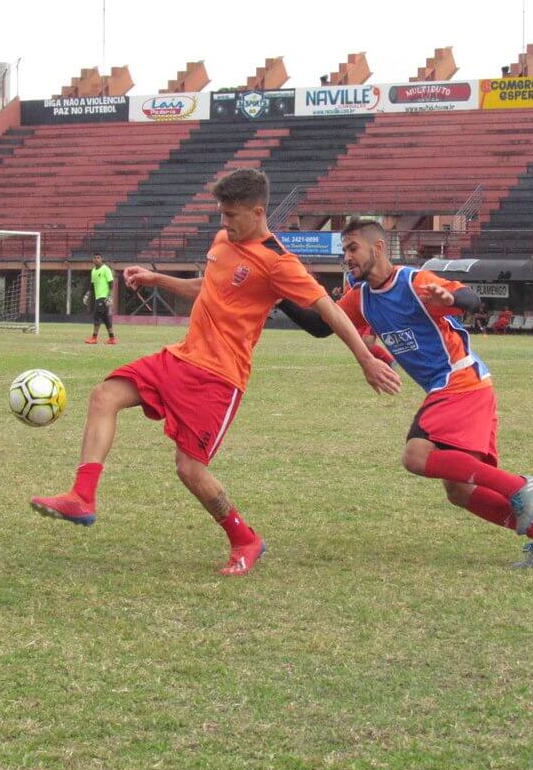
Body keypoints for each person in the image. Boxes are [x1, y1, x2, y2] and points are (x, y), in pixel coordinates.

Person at [31, 170, 400, 576]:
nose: (224, 223)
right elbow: (209, 287)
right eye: (221, 214)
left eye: (231, 215)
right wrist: (156, 278)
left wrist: (365, 360)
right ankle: (83, 496)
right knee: (105, 395)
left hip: (219, 379)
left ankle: (245, 539)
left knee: (189, 469)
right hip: (181, 357)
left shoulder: (279, 262)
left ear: (257, 212)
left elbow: (329, 313)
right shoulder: (224, 240)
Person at [278, 219, 533, 569]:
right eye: (344, 251)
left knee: (416, 456)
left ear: (378, 248)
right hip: (456, 387)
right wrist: (279, 293)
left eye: (352, 248)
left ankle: (518, 485)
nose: (347, 257)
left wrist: (451, 297)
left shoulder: (414, 281)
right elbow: (319, 325)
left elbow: (470, 299)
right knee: (459, 491)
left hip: (459, 381)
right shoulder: (361, 299)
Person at [85, 253, 117, 344]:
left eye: (98, 258)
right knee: (105, 318)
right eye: (95, 258)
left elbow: (111, 283)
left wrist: (110, 296)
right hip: (98, 297)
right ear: (93, 260)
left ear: (101, 259)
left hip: (103, 297)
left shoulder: (106, 269)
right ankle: (112, 338)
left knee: (96, 316)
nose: (96, 259)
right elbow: (92, 285)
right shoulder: (93, 271)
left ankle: (94, 338)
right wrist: (87, 295)